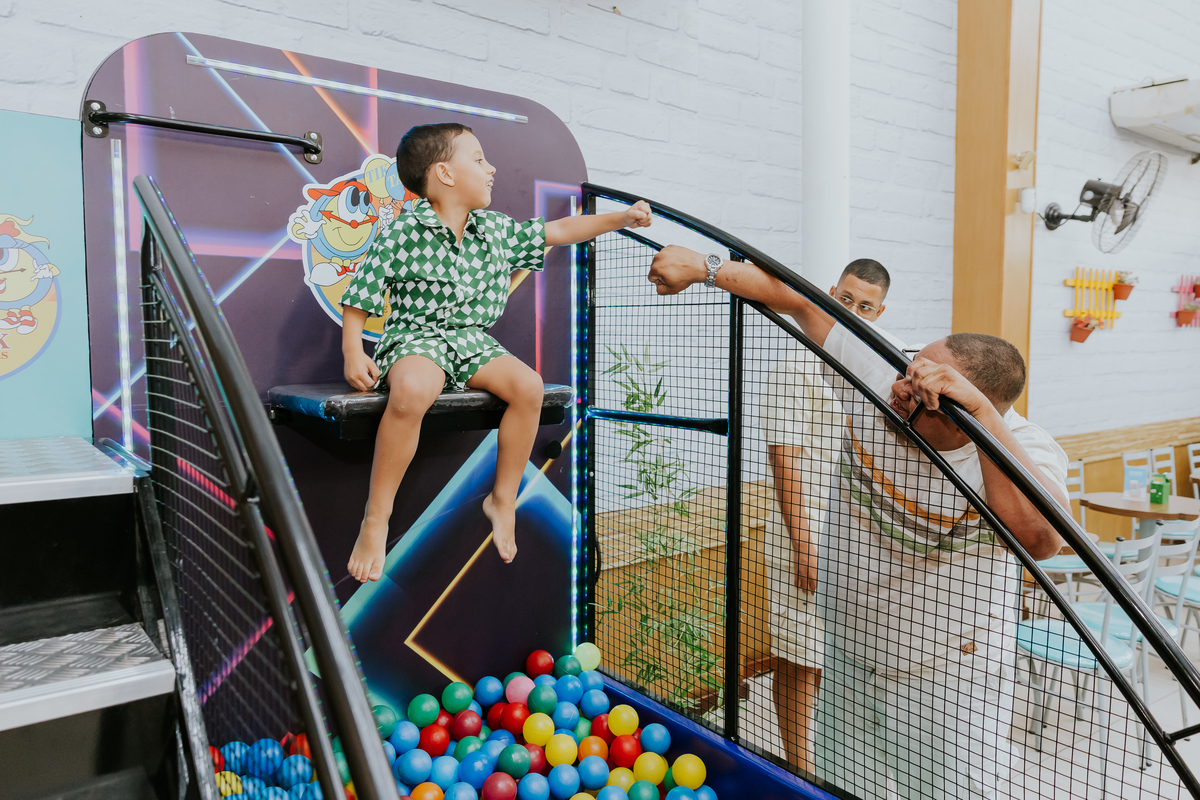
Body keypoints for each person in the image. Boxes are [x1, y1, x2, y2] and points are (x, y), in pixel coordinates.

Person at [647, 245, 1069, 799]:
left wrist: (985, 424)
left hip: (947, 681)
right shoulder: (886, 380)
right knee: (842, 788)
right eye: (910, 370)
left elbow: (1042, 542)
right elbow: (796, 297)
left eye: (921, 393)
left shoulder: (1027, 449)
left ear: (967, 421)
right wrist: (705, 270)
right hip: (848, 654)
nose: (898, 390)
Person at [341, 123, 651, 582]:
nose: (491, 169)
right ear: (445, 174)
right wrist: (352, 350)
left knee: (529, 387)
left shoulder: (497, 230)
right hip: (417, 337)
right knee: (411, 390)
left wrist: (619, 218)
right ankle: (376, 517)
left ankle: (502, 498)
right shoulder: (404, 232)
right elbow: (362, 292)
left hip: (473, 339)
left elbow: (562, 229)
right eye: (479, 160)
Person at [762, 258, 892, 771]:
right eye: (846, 299)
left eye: (865, 306)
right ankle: (800, 768)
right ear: (831, 293)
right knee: (801, 656)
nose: (854, 311)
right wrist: (805, 548)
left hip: (856, 538)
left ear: (879, 313)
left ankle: (842, 761)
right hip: (803, 533)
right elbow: (783, 461)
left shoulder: (872, 368)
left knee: (841, 658)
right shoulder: (794, 365)